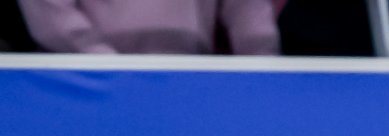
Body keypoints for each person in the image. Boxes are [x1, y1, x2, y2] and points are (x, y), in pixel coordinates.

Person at [17, 0, 280, 53]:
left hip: (188, 79)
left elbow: (248, 9)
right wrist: (98, 57)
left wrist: (262, 67)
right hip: (84, 84)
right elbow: (49, 11)